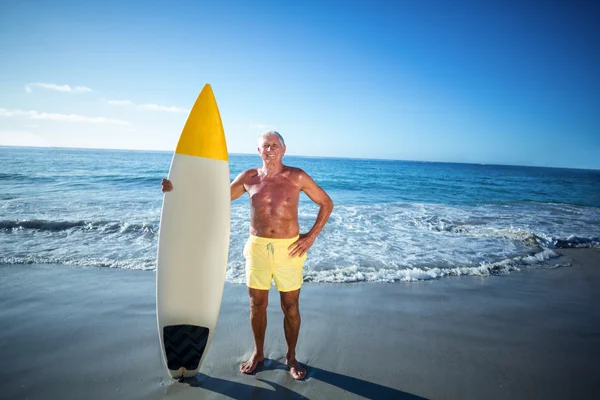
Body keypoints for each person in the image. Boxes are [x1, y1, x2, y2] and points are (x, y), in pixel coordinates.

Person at [161, 130, 333, 380]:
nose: (270, 149)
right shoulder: (249, 177)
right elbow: (215, 199)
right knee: (257, 303)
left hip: (289, 250)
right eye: (266, 145)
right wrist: (176, 189)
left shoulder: (297, 176)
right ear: (259, 150)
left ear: (283, 149)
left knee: (290, 306)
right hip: (257, 248)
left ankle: (291, 357)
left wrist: (311, 236)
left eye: (275, 145)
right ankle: (259, 353)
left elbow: (326, 203)